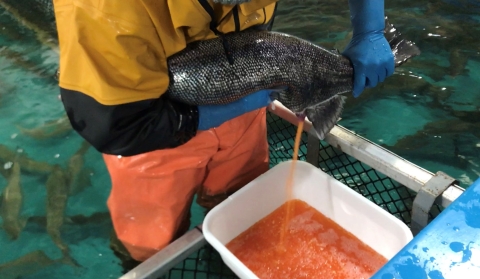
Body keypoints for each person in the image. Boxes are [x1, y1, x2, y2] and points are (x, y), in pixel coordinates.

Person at [52, 0, 394, 262]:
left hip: (242, 93)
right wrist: (221, 110)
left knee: (247, 207)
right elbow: (116, 125)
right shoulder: (100, 10)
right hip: (149, 128)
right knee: (151, 243)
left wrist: (370, 29)